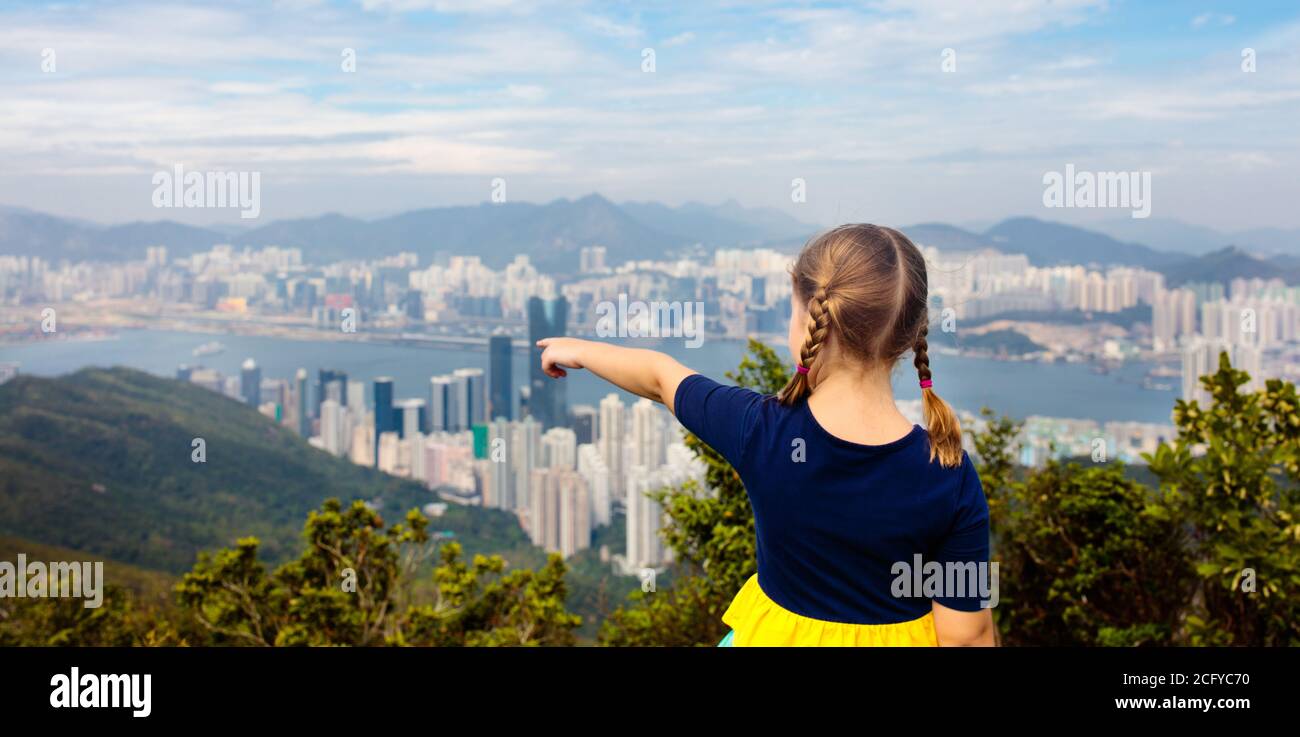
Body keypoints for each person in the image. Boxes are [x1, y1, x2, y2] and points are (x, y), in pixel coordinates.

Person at [537, 224, 995, 646]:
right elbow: (966, 635)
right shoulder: (950, 473)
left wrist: (580, 349)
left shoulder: (761, 429)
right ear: (912, 334)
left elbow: (660, 376)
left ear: (810, 325)